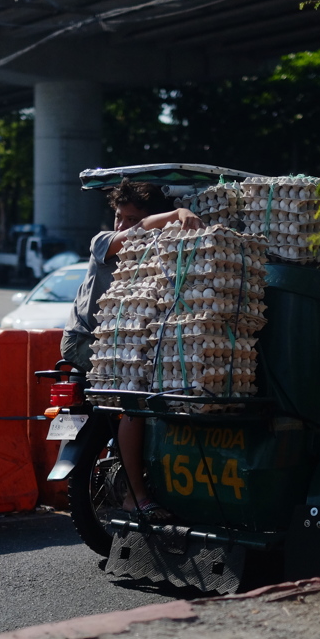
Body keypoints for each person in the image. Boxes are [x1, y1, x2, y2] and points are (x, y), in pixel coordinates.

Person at [62, 179, 202, 522]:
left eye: (129, 217)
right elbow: (135, 233)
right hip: (87, 341)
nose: (121, 225)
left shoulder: (157, 254)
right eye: (118, 217)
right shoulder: (104, 243)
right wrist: (178, 212)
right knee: (135, 397)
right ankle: (135, 498)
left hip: (123, 343)